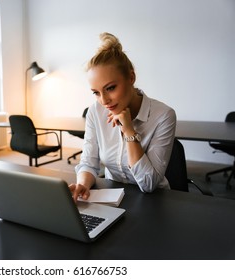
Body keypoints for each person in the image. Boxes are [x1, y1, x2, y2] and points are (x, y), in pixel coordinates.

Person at [69, 32, 176, 202]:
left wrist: (128, 131)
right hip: (112, 198)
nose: (104, 101)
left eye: (110, 88)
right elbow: (88, 163)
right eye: (96, 93)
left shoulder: (163, 115)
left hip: (154, 202)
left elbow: (149, 184)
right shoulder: (95, 111)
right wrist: (83, 184)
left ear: (131, 78)